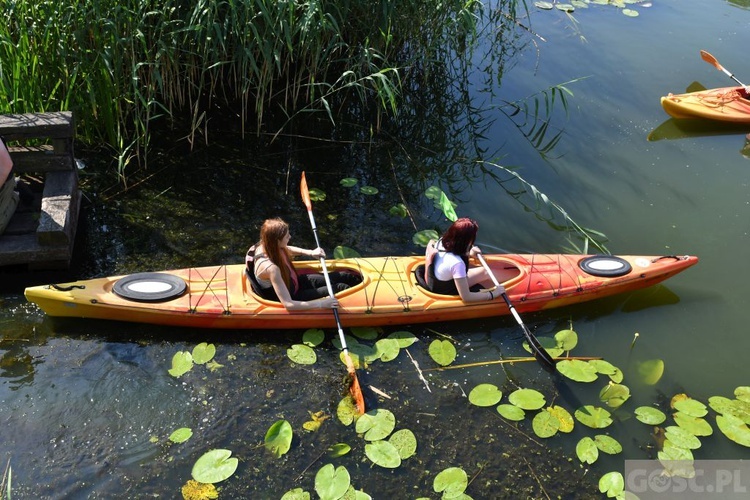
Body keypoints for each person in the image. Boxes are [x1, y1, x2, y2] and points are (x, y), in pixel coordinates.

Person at [247, 218, 361, 311]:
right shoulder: (271, 268)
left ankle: (361, 288)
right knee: (341, 287)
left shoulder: (266, 245)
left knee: (345, 276)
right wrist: (322, 304)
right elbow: (289, 305)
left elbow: (286, 249)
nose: (290, 237)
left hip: (295, 281)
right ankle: (359, 305)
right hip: (293, 296)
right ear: (276, 241)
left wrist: (311, 252)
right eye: (287, 236)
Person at [424, 217, 504, 303]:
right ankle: (507, 286)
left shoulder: (441, 242)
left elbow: (453, 252)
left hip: (434, 282)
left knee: (481, 270)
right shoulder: (457, 263)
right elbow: (466, 297)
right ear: (467, 240)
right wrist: (493, 294)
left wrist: (468, 251)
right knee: (485, 272)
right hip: (444, 290)